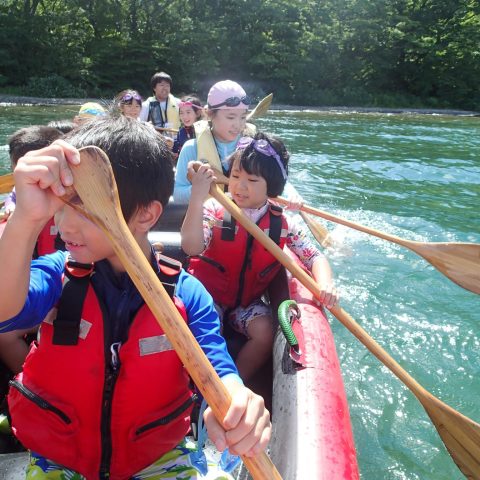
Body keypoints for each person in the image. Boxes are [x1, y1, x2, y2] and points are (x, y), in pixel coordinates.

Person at [0, 116, 271, 479]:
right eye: (60, 206)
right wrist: (25, 219)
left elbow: (218, 368)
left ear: (146, 215)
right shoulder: (56, 274)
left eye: (82, 209)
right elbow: (4, 310)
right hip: (60, 458)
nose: (63, 226)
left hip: (156, 459)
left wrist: (237, 400)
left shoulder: (188, 295)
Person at [181, 132, 339, 381]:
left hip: (245, 304)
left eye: (252, 180)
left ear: (272, 187)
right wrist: (197, 197)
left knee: (266, 331)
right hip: (207, 297)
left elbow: (314, 257)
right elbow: (191, 247)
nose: (240, 186)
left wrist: (326, 283)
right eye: (235, 176)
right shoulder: (214, 209)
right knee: (205, 324)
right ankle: (199, 385)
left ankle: (236, 383)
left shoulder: (283, 223)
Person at [173, 80, 254, 204]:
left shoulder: (254, 147)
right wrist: (199, 188)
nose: (238, 124)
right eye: (231, 117)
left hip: (246, 215)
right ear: (209, 114)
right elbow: (178, 195)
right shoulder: (191, 148)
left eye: (243, 117)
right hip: (207, 215)